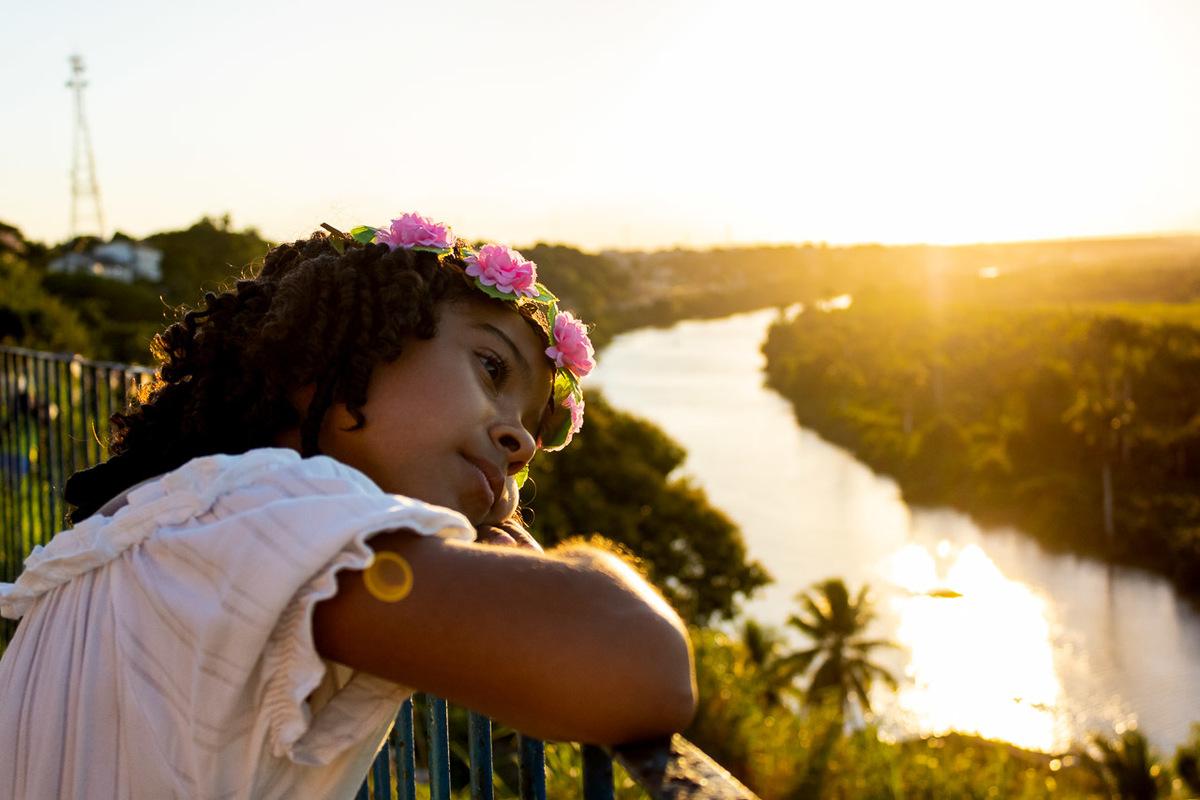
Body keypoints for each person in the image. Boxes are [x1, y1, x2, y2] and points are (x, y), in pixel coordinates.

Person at [0, 213, 696, 799]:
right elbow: (640, 667)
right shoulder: (279, 511)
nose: (517, 440)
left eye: (533, 436)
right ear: (327, 356)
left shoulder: (157, 524)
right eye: (490, 366)